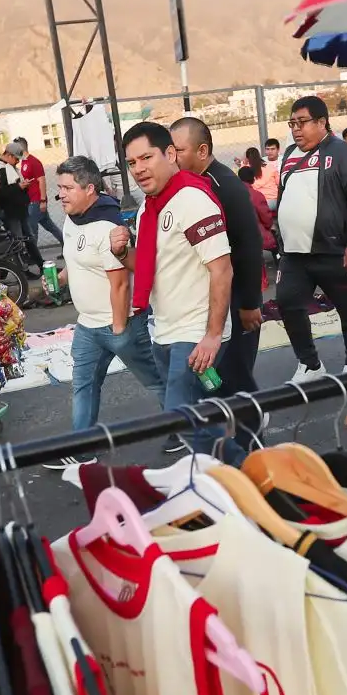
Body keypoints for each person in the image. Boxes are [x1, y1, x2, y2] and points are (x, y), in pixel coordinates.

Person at [109, 121, 234, 457]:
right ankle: (226, 485)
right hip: (163, 331)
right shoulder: (148, 208)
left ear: (169, 154)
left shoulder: (191, 199)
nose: (138, 169)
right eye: (132, 162)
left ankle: (246, 476)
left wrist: (212, 335)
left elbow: (222, 269)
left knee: (182, 420)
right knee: (200, 418)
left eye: (146, 158)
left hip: (194, 334)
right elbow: (149, 268)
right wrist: (123, 253)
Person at [49, 156, 164, 470]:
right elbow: (75, 261)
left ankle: (187, 426)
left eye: (68, 188)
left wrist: (118, 329)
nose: (61, 194)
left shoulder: (107, 225)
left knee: (156, 380)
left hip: (118, 326)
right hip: (87, 327)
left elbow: (120, 285)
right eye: (59, 187)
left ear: (89, 189)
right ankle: (82, 447)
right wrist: (59, 279)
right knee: (84, 383)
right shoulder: (72, 219)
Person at [171, 116, 265, 410]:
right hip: (211, 297)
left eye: (179, 151)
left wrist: (248, 303)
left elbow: (250, 246)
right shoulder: (192, 185)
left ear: (201, 151)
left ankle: (252, 434)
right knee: (217, 378)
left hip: (235, 297)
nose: (172, 157)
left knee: (235, 376)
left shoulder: (224, 185)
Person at [274, 95, 347, 382]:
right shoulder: (289, 154)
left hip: (333, 251)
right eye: (292, 123)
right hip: (294, 254)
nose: (296, 129)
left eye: (302, 122)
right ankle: (310, 365)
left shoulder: (342, 152)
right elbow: (284, 197)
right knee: (287, 303)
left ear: (322, 122)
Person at [0, 143, 41, 267]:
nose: (17, 162)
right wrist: (19, 186)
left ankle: (40, 263)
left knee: (28, 238)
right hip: (10, 212)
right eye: (16, 158)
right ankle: (22, 269)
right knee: (18, 241)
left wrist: (22, 186)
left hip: (19, 210)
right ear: (8, 155)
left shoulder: (9, 167)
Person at [15, 136, 62, 248]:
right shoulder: (24, 162)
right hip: (30, 199)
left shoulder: (34, 162)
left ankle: (33, 255)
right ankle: (65, 244)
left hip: (36, 200)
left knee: (32, 228)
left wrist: (42, 200)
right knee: (49, 225)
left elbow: (42, 181)